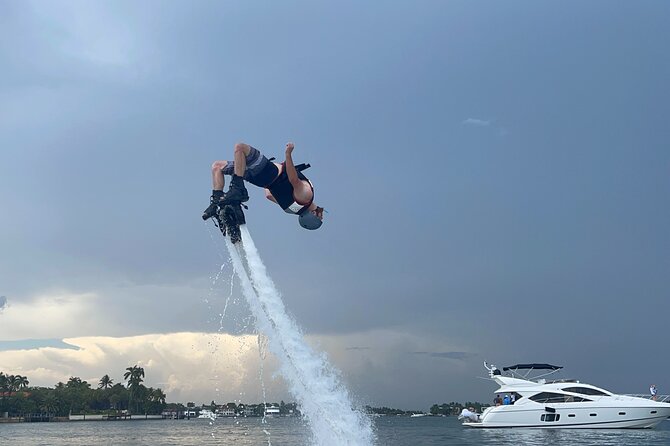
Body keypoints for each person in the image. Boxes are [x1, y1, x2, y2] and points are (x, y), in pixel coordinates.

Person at [203, 142, 324, 230]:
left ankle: (237, 188)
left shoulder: (306, 196)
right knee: (217, 167)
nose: (322, 213)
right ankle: (216, 203)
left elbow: (294, 180)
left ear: (313, 214)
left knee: (240, 147)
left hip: (266, 170)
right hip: (259, 180)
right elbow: (269, 195)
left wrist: (288, 154)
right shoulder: (291, 209)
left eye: (320, 215)